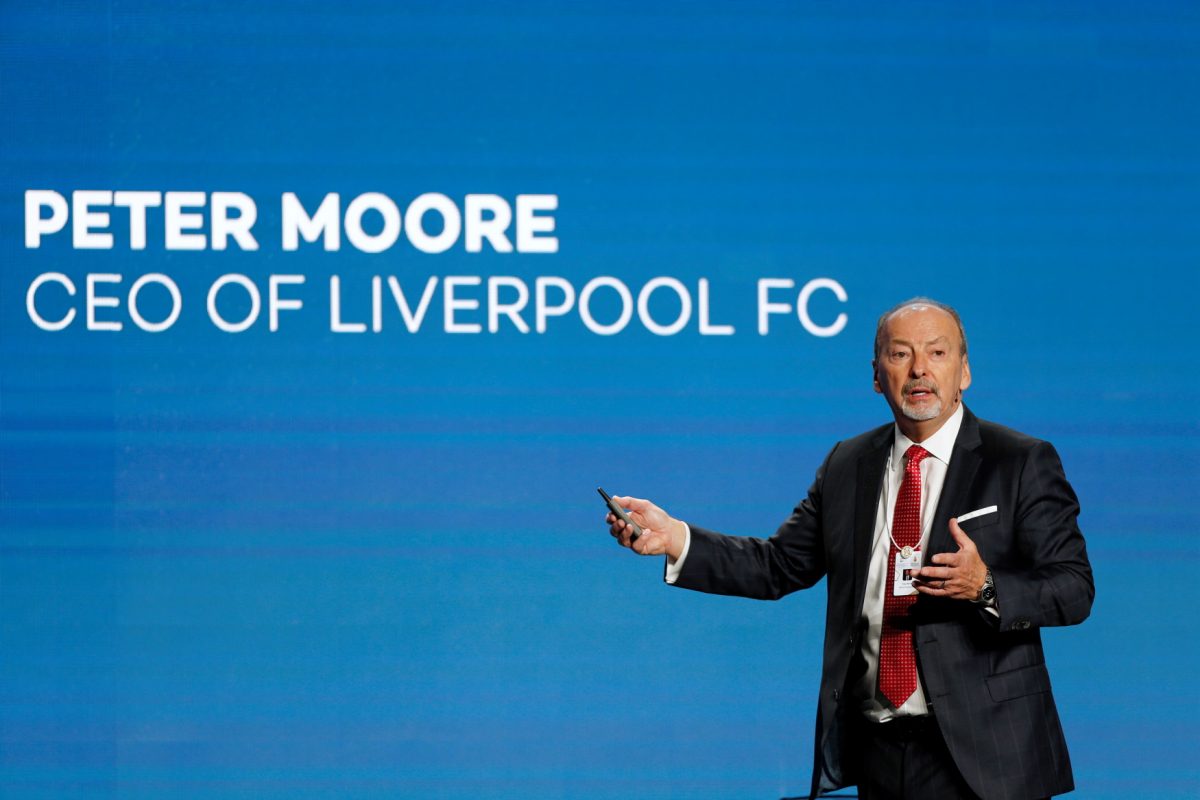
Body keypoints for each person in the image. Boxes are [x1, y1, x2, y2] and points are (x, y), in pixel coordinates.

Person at [605, 298, 1093, 800]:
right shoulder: (847, 463)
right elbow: (778, 565)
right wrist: (676, 538)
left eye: (937, 352)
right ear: (877, 376)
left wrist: (985, 587)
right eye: (900, 354)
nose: (919, 369)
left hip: (988, 755)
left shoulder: (1019, 460)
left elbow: (1074, 587)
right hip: (878, 750)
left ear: (964, 371)